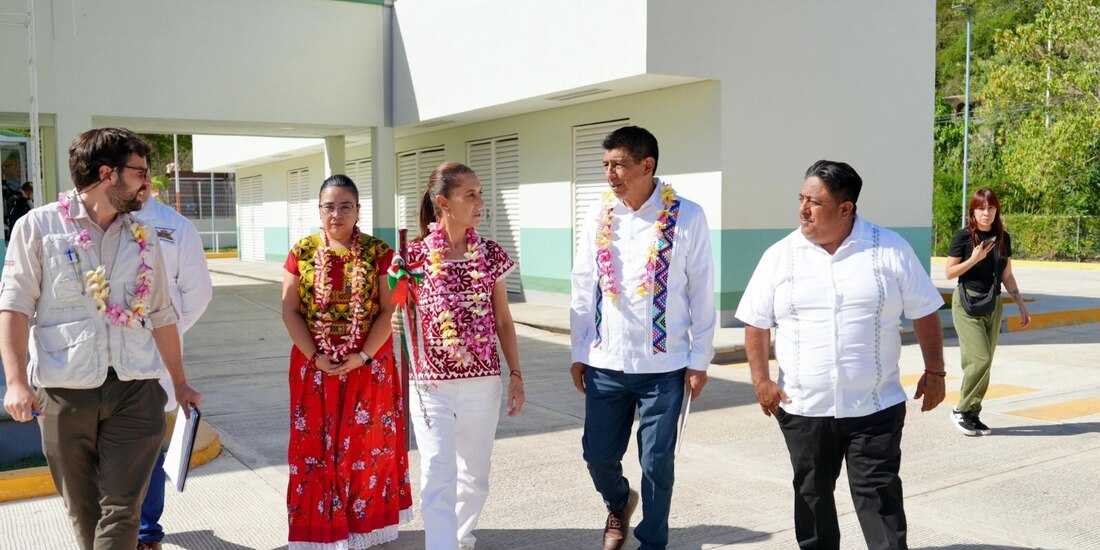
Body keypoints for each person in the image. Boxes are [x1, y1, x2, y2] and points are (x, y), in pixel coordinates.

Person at [0, 128, 202, 549]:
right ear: (108, 174)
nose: (149, 182)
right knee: (84, 511)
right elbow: (16, 306)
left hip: (137, 388)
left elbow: (163, 313)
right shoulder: (37, 228)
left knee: (124, 509)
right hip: (64, 390)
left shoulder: (145, 236)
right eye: (141, 172)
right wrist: (16, 381)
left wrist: (179, 382)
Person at [736, 160, 946, 550]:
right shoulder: (780, 255)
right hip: (803, 407)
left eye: (814, 202)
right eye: (801, 198)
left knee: (879, 497)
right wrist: (761, 380)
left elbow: (925, 310)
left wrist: (936, 371)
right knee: (811, 495)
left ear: (845, 208)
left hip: (875, 406)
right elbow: (756, 321)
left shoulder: (890, 248)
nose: (802, 209)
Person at [569, 126, 715, 550]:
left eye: (619, 164)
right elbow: (583, 283)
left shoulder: (687, 216)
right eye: (605, 165)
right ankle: (619, 502)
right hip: (606, 362)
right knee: (597, 455)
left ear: (647, 165)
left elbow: (701, 289)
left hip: (664, 367)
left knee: (656, 461)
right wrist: (580, 350)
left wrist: (699, 359)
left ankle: (653, 542)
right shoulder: (599, 215)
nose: (610, 174)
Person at [281, 174, 412, 549]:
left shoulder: (381, 253)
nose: (336, 213)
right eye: (329, 206)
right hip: (313, 367)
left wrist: (363, 355)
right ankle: (321, 532)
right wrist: (315, 356)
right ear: (318, 210)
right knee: (315, 451)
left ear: (358, 210)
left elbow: (391, 309)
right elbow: (290, 311)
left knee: (365, 448)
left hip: (369, 367)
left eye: (345, 206)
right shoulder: (301, 252)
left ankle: (362, 530)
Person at [401, 161, 525, 550]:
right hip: (429, 385)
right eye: (470, 195)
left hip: (482, 383)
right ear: (443, 202)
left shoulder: (490, 253)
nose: (480, 202)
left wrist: (516, 374)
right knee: (437, 473)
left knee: (474, 474)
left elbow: (503, 320)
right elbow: (394, 313)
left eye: (481, 193)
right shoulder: (413, 257)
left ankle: (459, 537)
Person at [135, 188, 213, 550]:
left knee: (150, 444)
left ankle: (148, 533)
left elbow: (197, 293)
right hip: (101, 361)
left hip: (154, 358)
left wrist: (169, 332)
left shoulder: (174, 226)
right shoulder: (94, 223)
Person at [946, 188, 1031, 436]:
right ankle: (960, 410)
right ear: (973, 210)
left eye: (991, 208)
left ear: (996, 211)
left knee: (986, 363)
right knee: (979, 359)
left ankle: (973, 412)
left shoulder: (1003, 237)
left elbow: (1007, 274)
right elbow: (950, 273)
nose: (986, 213)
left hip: (993, 303)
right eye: (981, 208)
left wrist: (1021, 304)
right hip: (967, 304)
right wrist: (974, 258)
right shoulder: (963, 237)